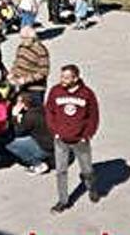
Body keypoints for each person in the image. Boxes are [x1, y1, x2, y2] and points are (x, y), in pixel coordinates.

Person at [45, 65, 100, 213]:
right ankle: (63, 201)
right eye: (61, 76)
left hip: (80, 140)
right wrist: (54, 130)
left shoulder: (87, 94)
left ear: (75, 78)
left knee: (87, 169)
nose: (62, 80)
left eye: (66, 77)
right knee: (61, 171)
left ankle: (91, 187)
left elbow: (93, 116)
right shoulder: (55, 91)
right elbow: (49, 111)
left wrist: (87, 135)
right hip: (60, 139)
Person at [7, 92, 54, 175]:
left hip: (45, 147)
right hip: (53, 144)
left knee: (10, 143)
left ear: (25, 103)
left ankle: (38, 164)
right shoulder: (42, 110)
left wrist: (14, 116)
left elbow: (18, 132)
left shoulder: (30, 116)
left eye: (19, 102)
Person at [8, 26, 50, 106]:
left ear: (33, 38)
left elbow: (44, 72)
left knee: (35, 112)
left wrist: (26, 79)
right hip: (21, 86)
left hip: (35, 88)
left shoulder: (41, 50)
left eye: (26, 38)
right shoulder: (21, 47)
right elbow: (17, 62)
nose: (23, 41)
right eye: (22, 38)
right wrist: (12, 73)